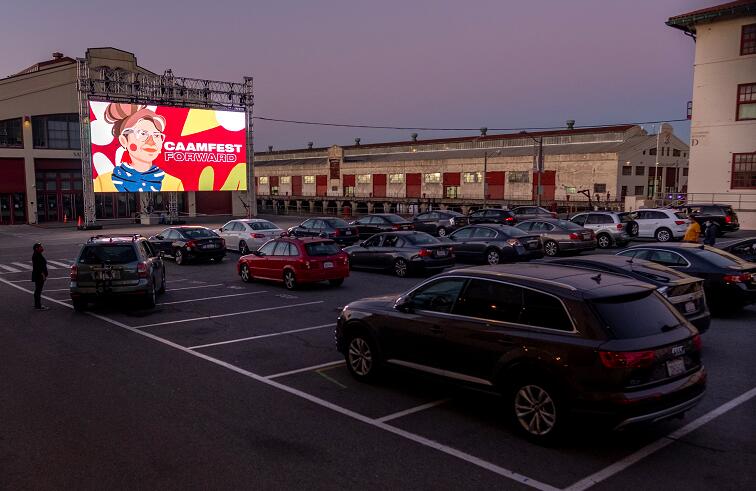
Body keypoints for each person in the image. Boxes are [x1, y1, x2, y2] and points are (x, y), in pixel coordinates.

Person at [93, 103, 184, 192]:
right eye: (143, 134)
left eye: (156, 135)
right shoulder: (102, 182)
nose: (151, 142)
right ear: (124, 141)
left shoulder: (175, 184)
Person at [31, 242, 48, 310]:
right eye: (40, 247)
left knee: (38, 290)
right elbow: (38, 267)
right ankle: (38, 306)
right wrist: (43, 275)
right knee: (38, 290)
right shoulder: (36, 256)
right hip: (39, 276)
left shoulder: (38, 254)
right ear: (37, 248)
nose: (42, 248)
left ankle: (37, 305)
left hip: (39, 275)